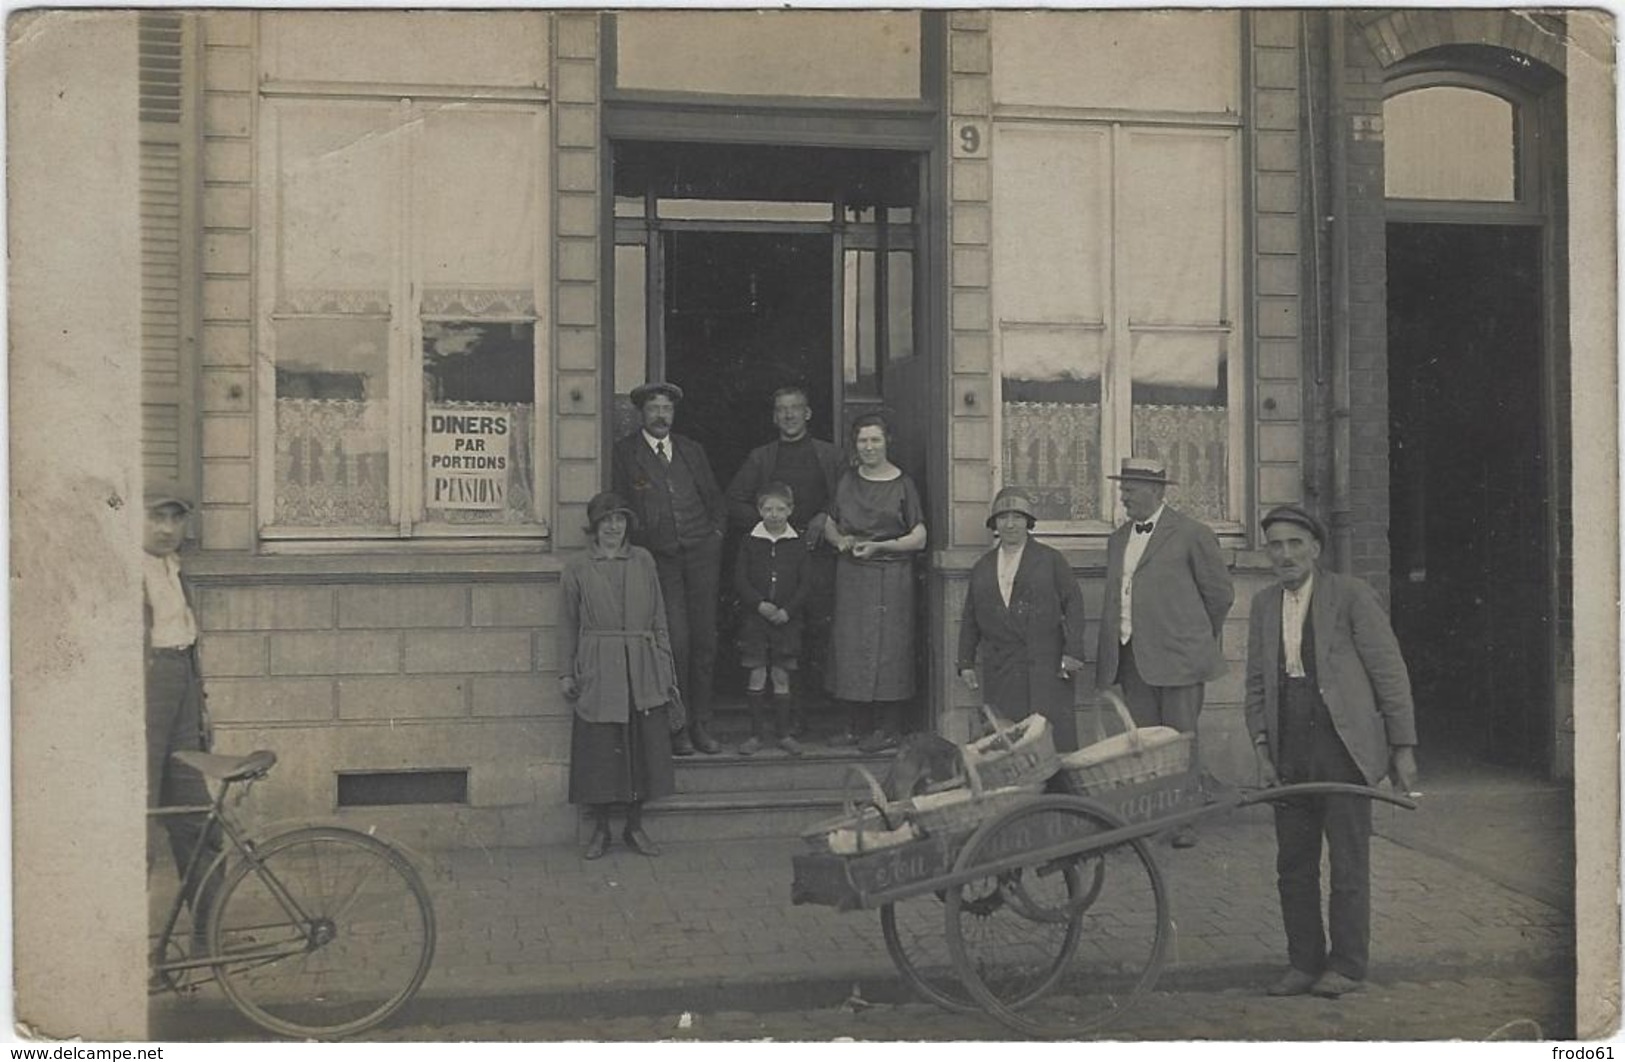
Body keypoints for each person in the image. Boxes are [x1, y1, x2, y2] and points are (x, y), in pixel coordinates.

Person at [1246, 504, 1418, 999]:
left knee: (1347, 862)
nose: (1285, 554)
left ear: (1315, 549)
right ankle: (1303, 962)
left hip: (1343, 744)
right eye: (1276, 545)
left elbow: (1389, 671)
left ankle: (1346, 966)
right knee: (1293, 864)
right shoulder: (1261, 605)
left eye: (1295, 544)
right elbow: (1256, 684)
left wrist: (1401, 746)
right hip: (1289, 746)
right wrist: (1262, 750)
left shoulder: (1350, 596)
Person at [1095, 456, 1234, 848]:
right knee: (1147, 745)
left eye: (1131, 490)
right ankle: (1154, 817)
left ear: (1156, 492)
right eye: (1122, 489)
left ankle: (1185, 820)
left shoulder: (1192, 534)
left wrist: (1192, 637)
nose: (1124, 497)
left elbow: (1220, 595)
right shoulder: (1118, 539)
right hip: (1132, 657)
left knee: (1180, 741)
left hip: (1180, 660)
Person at [560, 492, 680, 860]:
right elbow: (567, 623)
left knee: (641, 749)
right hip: (599, 665)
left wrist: (665, 667)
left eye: (620, 520)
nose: (614, 527)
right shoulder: (578, 566)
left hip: (642, 666)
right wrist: (567, 672)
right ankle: (599, 831)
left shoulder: (643, 560)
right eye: (606, 520)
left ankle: (634, 826)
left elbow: (659, 617)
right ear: (594, 527)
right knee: (600, 751)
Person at [611, 381, 726, 756]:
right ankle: (679, 728)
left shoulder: (692, 451)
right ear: (641, 414)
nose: (661, 415)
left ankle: (703, 725)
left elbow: (714, 498)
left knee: (705, 642)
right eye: (654, 409)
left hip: (700, 556)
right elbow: (621, 506)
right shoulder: (625, 454)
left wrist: (715, 535)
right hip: (660, 560)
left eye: (667, 409)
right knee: (676, 642)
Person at [724, 386, 845, 707]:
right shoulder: (761, 457)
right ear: (774, 417)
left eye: (795, 408)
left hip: (818, 554)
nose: (789, 415)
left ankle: (818, 713)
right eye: (782, 409)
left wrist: (825, 516)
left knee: (819, 629)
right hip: (777, 559)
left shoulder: (831, 455)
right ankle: (784, 720)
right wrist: (773, 525)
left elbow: (848, 497)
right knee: (780, 635)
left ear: (808, 413)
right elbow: (733, 501)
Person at [143, 480, 221, 944]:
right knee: (140, 815)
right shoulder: (121, 574)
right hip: (145, 692)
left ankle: (210, 933)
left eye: (175, 518)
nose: (167, 528)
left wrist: (199, 707)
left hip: (182, 687)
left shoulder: (177, 570)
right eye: (156, 516)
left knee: (196, 811)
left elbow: (188, 644)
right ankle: (126, 944)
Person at [823, 412, 927, 753]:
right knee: (852, 647)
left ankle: (889, 728)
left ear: (887, 442)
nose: (869, 447)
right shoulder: (847, 480)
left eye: (875, 440)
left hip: (892, 575)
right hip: (853, 574)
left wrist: (881, 545)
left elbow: (919, 537)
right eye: (863, 441)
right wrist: (839, 541)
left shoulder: (903, 484)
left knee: (889, 649)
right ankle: (856, 726)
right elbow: (829, 521)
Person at [956, 487, 1088, 752]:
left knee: (1052, 738)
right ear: (995, 524)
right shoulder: (983, 567)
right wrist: (966, 662)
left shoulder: (1050, 560)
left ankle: (1057, 792)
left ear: (1029, 522)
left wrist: (1072, 652)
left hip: (1047, 666)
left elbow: (1074, 604)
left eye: (1018, 517)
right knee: (1008, 739)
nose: (1011, 524)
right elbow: (970, 617)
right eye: (1004, 518)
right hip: (1003, 668)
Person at [732, 482, 810, 757]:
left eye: (780, 509)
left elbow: (805, 583)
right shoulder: (749, 541)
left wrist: (788, 610)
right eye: (768, 509)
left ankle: (784, 734)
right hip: (756, 621)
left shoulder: (797, 543)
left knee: (781, 674)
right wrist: (758, 604)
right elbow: (740, 579)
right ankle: (755, 735)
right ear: (759, 510)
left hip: (787, 621)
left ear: (790, 510)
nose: (774, 514)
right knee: (757, 673)